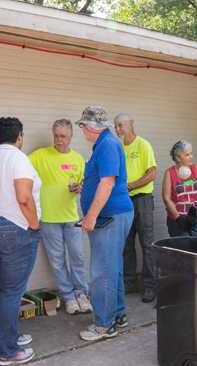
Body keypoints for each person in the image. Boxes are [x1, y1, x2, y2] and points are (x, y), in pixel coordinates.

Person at [0, 117, 42, 366]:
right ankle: (6, 351)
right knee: (13, 291)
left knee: (7, 288)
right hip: (16, 229)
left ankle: (9, 336)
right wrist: (35, 227)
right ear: (19, 136)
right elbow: (24, 199)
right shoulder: (18, 159)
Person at [75, 106, 134, 341]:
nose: (82, 131)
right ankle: (117, 314)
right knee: (112, 267)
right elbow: (100, 180)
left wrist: (90, 215)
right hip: (111, 215)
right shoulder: (104, 144)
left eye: (82, 126)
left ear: (90, 126)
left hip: (109, 216)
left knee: (102, 271)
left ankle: (104, 325)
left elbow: (108, 183)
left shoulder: (107, 145)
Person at [28, 119, 92, 315]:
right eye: (56, 136)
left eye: (63, 136)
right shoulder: (40, 155)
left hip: (71, 217)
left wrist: (81, 187)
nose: (59, 139)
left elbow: (85, 183)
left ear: (71, 136)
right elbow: (19, 169)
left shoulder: (78, 159)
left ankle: (82, 294)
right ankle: (68, 297)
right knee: (57, 260)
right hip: (48, 218)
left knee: (77, 257)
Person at [114, 113, 158, 303]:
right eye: (116, 126)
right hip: (123, 201)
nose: (118, 129)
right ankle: (130, 283)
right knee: (126, 244)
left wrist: (130, 185)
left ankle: (150, 286)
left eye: (121, 125)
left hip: (142, 200)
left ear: (131, 125)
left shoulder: (143, 145)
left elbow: (152, 174)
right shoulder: (117, 148)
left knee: (147, 244)